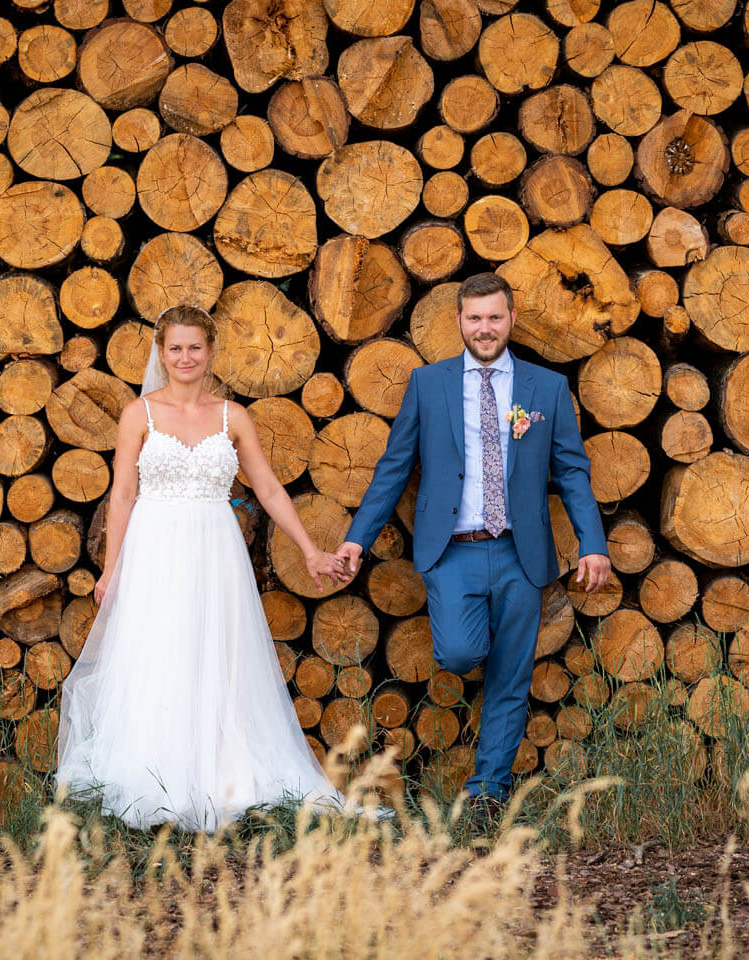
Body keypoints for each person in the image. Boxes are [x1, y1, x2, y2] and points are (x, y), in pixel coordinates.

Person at [56, 304, 351, 832]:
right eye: (175, 348)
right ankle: (157, 776)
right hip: (155, 548)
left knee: (215, 654)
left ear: (211, 351)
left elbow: (267, 487)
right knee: (161, 655)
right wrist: (111, 568)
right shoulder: (138, 414)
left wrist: (309, 549)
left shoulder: (232, 416)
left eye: (195, 347)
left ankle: (218, 774)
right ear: (161, 353)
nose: (185, 357)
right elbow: (122, 494)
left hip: (216, 549)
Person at [334, 273, 611, 820]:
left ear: (511, 319)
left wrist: (593, 543)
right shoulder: (428, 384)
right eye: (474, 318)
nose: (485, 328)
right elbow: (394, 469)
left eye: (495, 317)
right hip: (453, 550)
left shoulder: (546, 388)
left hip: (519, 552)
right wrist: (355, 540)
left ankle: (488, 792)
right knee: (461, 653)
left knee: (511, 678)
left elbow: (573, 471)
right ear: (459, 321)